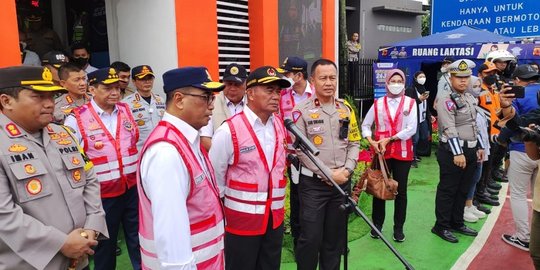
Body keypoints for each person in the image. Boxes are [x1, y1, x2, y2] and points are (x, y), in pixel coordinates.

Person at [0, 66, 108, 269]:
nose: (49, 104)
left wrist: (91, 228)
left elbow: (89, 179)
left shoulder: (63, 133)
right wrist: (61, 244)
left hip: (80, 258)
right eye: (38, 97)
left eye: (51, 96)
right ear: (7, 101)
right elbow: (4, 215)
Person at [138, 67, 226, 269]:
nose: (212, 106)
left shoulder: (187, 140)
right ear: (179, 100)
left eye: (212, 98)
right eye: (206, 97)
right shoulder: (166, 152)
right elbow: (171, 236)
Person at [210, 66, 290, 270]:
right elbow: (215, 179)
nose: (275, 96)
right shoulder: (229, 130)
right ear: (251, 93)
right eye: (269, 90)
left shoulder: (280, 125)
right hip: (241, 223)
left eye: (278, 91)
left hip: (274, 219)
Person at [64, 67, 141, 269]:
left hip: (132, 189)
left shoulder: (126, 110)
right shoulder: (76, 118)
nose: (115, 92)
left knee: (138, 240)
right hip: (101, 196)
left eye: (117, 87)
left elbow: (134, 141)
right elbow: (71, 161)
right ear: (92, 89)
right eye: (108, 88)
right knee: (104, 247)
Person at [293, 59, 359, 269]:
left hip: (342, 182)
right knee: (310, 238)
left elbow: (354, 141)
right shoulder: (301, 110)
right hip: (313, 186)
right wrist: (329, 174)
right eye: (323, 78)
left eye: (332, 78)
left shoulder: (345, 109)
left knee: (334, 239)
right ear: (313, 80)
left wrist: (347, 169)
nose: (329, 82)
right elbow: (301, 150)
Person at [432, 59, 485, 243]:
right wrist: (458, 153)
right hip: (453, 152)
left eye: (466, 77)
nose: (463, 81)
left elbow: (473, 126)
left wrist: (477, 147)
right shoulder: (446, 100)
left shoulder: (469, 98)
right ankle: (441, 226)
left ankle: (457, 222)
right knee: (448, 190)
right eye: (458, 77)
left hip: (469, 151)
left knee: (463, 189)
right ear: (451, 78)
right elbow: (449, 128)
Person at [362, 69, 417, 242]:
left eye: (399, 80)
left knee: (400, 191)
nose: (396, 84)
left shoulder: (410, 103)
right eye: (392, 81)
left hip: (402, 152)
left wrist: (390, 139)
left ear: (404, 83)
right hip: (381, 154)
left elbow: (411, 129)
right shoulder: (378, 103)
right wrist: (371, 140)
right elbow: (366, 125)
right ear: (386, 83)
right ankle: (377, 225)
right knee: (379, 188)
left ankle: (398, 228)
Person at [501, 64, 540, 251]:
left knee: (518, 194)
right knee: (538, 195)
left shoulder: (516, 95)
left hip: (520, 147)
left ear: (517, 80)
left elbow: (510, 120)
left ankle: (523, 237)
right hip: (537, 152)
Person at [277, 56, 313, 249]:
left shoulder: (316, 94)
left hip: (315, 157)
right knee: (297, 196)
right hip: (293, 158)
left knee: (314, 195)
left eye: (288, 73)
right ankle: (298, 239)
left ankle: (314, 236)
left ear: (299, 75)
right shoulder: (282, 95)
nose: (285, 76)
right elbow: (279, 123)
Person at [200, 63, 247, 150]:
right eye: (229, 84)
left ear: (245, 85)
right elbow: (205, 139)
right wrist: (224, 157)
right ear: (223, 83)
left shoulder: (252, 104)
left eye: (237, 84)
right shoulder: (211, 103)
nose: (232, 88)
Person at [463, 76, 490, 223]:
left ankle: (470, 203)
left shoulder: (478, 105)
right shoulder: (464, 104)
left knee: (476, 177)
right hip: (471, 147)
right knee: (470, 177)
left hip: (481, 146)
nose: (478, 89)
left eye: (479, 86)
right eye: (474, 86)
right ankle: (464, 207)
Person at [122, 65, 165, 150]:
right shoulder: (125, 104)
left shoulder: (160, 100)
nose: (147, 82)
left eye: (150, 78)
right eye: (142, 79)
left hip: (161, 148)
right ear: (134, 81)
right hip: (140, 151)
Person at [405, 71, 430, 167]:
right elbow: (408, 104)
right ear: (415, 78)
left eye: (424, 76)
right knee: (414, 139)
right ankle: (411, 158)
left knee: (424, 136)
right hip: (414, 118)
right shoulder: (410, 90)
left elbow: (425, 105)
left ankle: (415, 153)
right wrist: (419, 100)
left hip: (422, 118)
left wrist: (429, 115)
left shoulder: (423, 89)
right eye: (420, 76)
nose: (423, 78)